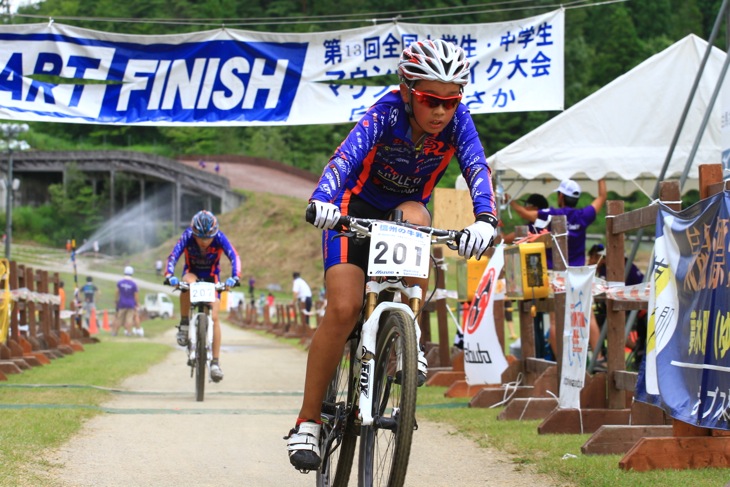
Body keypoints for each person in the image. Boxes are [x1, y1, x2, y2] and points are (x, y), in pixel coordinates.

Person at [286, 39, 497, 472]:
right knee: (343, 309)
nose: (440, 111)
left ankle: (405, 336)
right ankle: (307, 420)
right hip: (350, 211)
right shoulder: (385, 113)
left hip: (404, 214)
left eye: (450, 101)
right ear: (406, 90)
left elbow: (477, 166)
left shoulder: (458, 123)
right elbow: (344, 158)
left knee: (417, 214)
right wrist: (324, 199)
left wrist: (486, 219)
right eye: (429, 100)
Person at [510, 179, 607, 361]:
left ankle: (562, 362)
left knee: (555, 321)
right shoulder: (583, 215)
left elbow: (525, 214)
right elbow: (602, 197)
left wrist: (510, 201)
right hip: (579, 273)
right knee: (588, 316)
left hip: (556, 274)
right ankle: (599, 359)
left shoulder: (552, 215)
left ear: (561, 196)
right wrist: (600, 177)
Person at [164, 210, 241, 383]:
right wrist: (169, 275)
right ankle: (184, 324)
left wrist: (235, 277)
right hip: (192, 274)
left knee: (214, 317)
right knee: (185, 285)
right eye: (200, 237)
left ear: (214, 234)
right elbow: (173, 255)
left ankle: (215, 362)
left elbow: (234, 256)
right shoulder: (187, 236)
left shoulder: (220, 237)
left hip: (212, 278)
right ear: (194, 233)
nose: (204, 242)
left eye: (208, 238)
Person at [113, 266, 140, 337]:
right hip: (130, 304)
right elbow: (136, 295)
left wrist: (116, 300)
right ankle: (128, 332)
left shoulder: (120, 282)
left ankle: (115, 332)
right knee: (129, 319)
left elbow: (117, 292)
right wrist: (137, 303)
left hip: (121, 303)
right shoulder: (133, 284)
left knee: (119, 318)